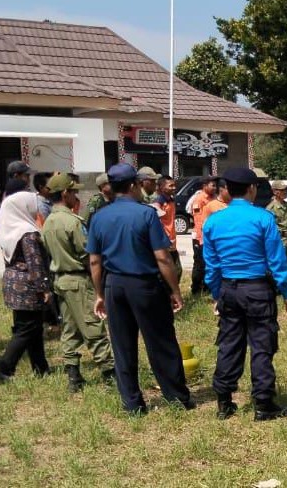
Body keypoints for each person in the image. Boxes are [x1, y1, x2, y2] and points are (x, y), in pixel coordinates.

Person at [86, 163, 193, 415]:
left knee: (123, 346)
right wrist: (175, 291)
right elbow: (162, 257)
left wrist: (100, 293)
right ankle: (176, 397)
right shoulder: (145, 214)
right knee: (161, 342)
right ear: (134, 185)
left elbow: (94, 260)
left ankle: (133, 403)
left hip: (115, 286)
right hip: (144, 285)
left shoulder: (99, 217)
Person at [202, 167, 287, 422]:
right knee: (262, 345)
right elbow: (276, 260)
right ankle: (263, 404)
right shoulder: (263, 218)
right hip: (257, 290)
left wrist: (216, 295)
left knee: (229, 344)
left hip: (229, 291)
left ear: (227, 190)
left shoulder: (213, 221)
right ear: (252, 189)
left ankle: (224, 402)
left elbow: (211, 267)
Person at [40, 173, 115, 393]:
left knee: (70, 329)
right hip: (79, 280)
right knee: (93, 326)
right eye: (73, 191)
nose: (76, 195)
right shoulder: (72, 222)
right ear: (65, 193)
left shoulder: (49, 222)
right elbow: (87, 253)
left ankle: (73, 375)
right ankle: (110, 374)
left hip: (60, 281)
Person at [0, 191, 51, 380]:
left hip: (13, 284)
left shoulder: (10, 231)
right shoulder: (27, 233)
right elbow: (35, 263)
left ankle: (40, 368)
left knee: (33, 328)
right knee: (26, 329)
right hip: (27, 287)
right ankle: (4, 368)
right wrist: (43, 288)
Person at [188, 177, 217, 296]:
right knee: (199, 264)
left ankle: (206, 287)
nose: (215, 188)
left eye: (215, 186)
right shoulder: (199, 199)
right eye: (212, 185)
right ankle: (195, 289)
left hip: (210, 236)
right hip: (200, 236)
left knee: (209, 263)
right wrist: (201, 239)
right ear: (205, 185)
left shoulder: (213, 198)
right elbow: (199, 220)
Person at [151, 176, 182, 280]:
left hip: (172, 241)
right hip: (165, 241)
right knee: (170, 271)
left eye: (174, 185)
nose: (174, 188)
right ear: (162, 187)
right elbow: (155, 212)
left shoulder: (171, 200)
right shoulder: (159, 201)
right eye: (171, 185)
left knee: (176, 271)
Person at [266, 181, 287, 271]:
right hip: (279, 241)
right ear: (275, 192)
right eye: (282, 190)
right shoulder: (270, 208)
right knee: (279, 267)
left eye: (285, 190)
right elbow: (269, 229)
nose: (285, 192)